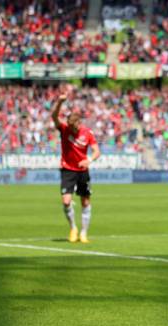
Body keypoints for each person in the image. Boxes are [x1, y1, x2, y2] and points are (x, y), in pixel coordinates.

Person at [51, 93, 101, 243]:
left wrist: (89, 159)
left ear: (79, 124)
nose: (72, 130)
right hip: (67, 169)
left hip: (82, 171)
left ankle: (84, 232)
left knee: (85, 202)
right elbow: (54, 117)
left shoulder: (88, 133)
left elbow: (97, 151)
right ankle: (73, 228)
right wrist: (59, 101)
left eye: (74, 127)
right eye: (70, 127)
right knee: (66, 201)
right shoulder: (65, 129)